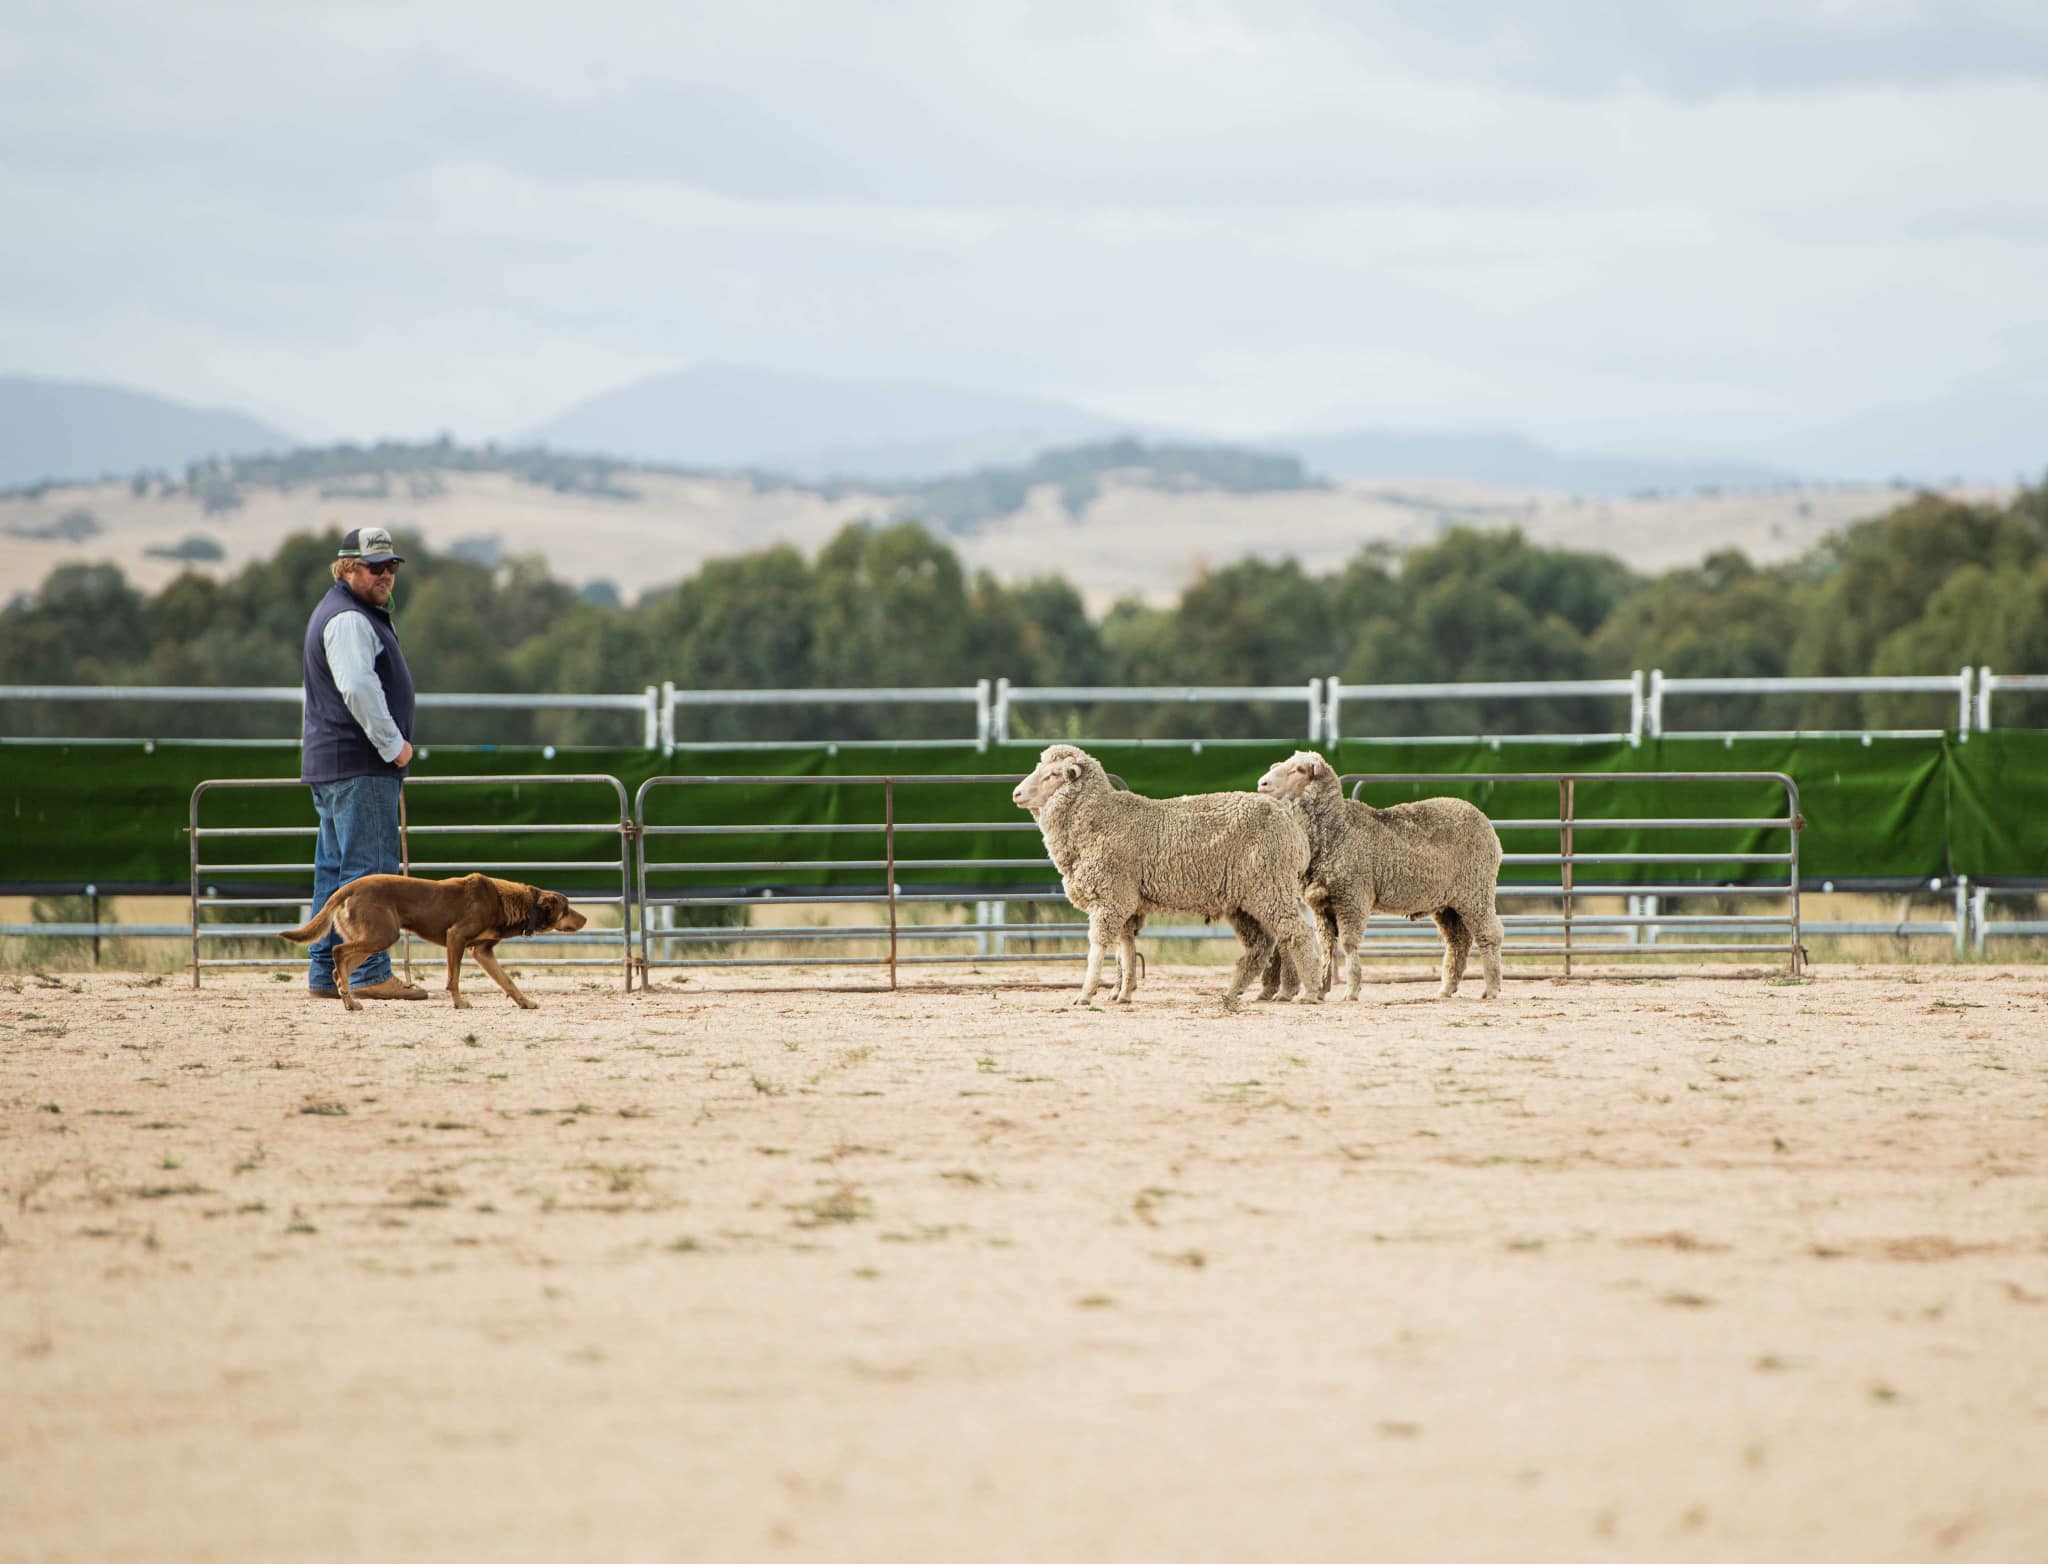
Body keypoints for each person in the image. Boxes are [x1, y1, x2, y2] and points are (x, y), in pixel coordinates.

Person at [300, 525, 428, 1000]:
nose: (386, 575)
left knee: (335, 875)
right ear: (346, 569)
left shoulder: (341, 612)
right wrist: (394, 745)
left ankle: (324, 972)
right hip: (362, 764)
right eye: (375, 567)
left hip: (335, 763)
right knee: (371, 873)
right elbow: (357, 687)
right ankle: (371, 972)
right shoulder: (351, 619)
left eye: (391, 566)